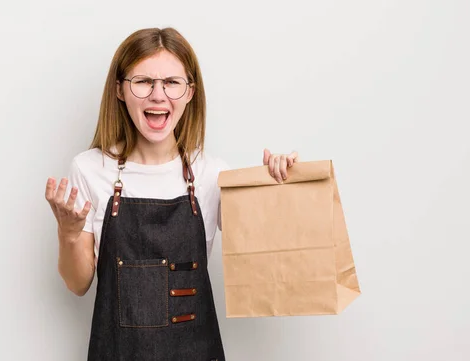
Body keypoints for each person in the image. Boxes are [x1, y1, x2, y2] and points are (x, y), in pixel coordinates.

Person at [45, 27, 299, 361]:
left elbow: (268, 260)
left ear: (190, 92)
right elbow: (78, 284)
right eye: (143, 81)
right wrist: (68, 231)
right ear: (120, 90)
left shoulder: (212, 174)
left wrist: (279, 185)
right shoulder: (90, 169)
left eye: (172, 83)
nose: (158, 95)